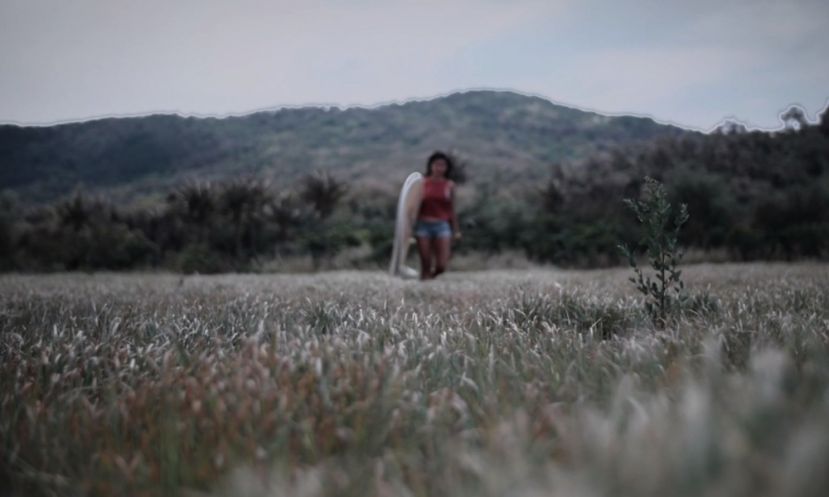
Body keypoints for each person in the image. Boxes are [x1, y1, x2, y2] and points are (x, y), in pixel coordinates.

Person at [414, 151, 461, 280]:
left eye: (443, 165)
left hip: (442, 225)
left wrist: (456, 230)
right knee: (425, 263)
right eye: (437, 164)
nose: (439, 168)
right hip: (423, 225)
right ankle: (423, 290)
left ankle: (430, 279)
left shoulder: (449, 185)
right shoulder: (422, 183)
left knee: (441, 265)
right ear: (431, 166)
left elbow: (452, 208)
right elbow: (412, 206)